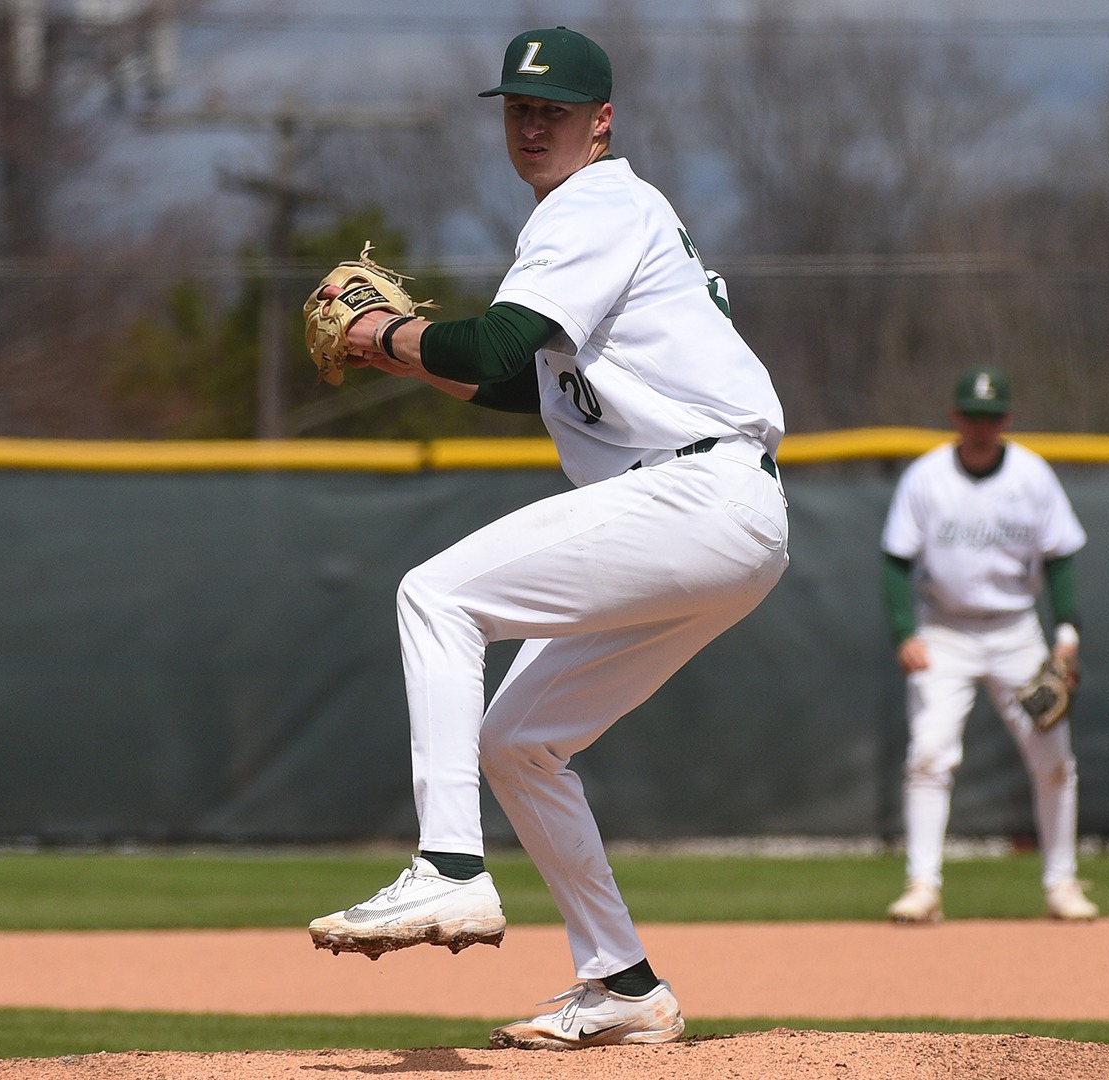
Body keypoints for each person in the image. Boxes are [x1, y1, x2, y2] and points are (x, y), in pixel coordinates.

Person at [304, 26, 790, 1050]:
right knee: (519, 742)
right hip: (717, 514)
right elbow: (521, 381)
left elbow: (490, 341)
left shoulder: (597, 202)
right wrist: (403, 356)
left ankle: (447, 868)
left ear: (600, 120)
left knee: (435, 595)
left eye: (555, 109)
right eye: (520, 108)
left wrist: (376, 336)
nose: (533, 124)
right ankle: (624, 986)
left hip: (696, 495)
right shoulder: (607, 218)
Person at [879, 367, 1097, 924]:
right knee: (929, 752)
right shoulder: (927, 478)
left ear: (1007, 419)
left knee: (1052, 758)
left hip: (1014, 630)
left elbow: (1061, 556)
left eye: (991, 416)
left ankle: (1062, 885)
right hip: (943, 628)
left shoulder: (1031, 475)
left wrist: (1067, 632)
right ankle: (922, 887)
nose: (981, 426)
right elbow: (896, 558)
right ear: (954, 417)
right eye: (972, 416)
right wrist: (905, 631)